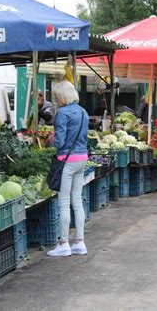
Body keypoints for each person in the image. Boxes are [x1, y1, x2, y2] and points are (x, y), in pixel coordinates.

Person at [47, 81, 89, 257]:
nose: (56, 100)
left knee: (63, 202)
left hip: (67, 160)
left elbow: (60, 142)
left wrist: (51, 139)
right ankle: (80, 242)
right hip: (82, 158)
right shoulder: (83, 111)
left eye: (56, 96)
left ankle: (63, 243)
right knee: (77, 200)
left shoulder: (62, 113)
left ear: (62, 96)